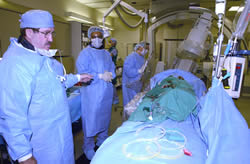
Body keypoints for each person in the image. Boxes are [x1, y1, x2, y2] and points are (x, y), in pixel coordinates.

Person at [0, 10, 93, 164]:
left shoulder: (40, 55)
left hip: (60, 136)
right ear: (29, 32)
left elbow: (56, 82)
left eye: (52, 33)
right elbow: (11, 114)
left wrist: (77, 77)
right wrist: (24, 155)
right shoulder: (14, 64)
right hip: (40, 145)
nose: (50, 39)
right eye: (46, 33)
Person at [76, 26, 116, 160]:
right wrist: (99, 76)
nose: (97, 39)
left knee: (104, 118)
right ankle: (87, 146)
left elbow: (112, 67)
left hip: (106, 92)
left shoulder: (106, 53)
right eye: (94, 36)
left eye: (99, 36)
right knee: (91, 120)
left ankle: (101, 140)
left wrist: (111, 74)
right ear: (90, 38)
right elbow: (82, 72)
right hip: (92, 93)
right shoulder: (85, 54)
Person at [122, 41, 149, 107]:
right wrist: (138, 71)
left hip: (137, 83)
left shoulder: (142, 58)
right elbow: (128, 71)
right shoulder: (131, 57)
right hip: (130, 84)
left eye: (148, 49)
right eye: (146, 48)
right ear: (140, 48)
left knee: (136, 102)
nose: (147, 50)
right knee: (130, 103)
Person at [108, 38, 119, 104]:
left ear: (114, 43)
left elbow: (109, 56)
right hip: (109, 67)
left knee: (112, 83)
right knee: (110, 83)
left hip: (112, 68)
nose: (110, 43)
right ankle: (112, 98)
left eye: (111, 42)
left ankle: (116, 99)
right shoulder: (110, 49)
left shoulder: (114, 50)